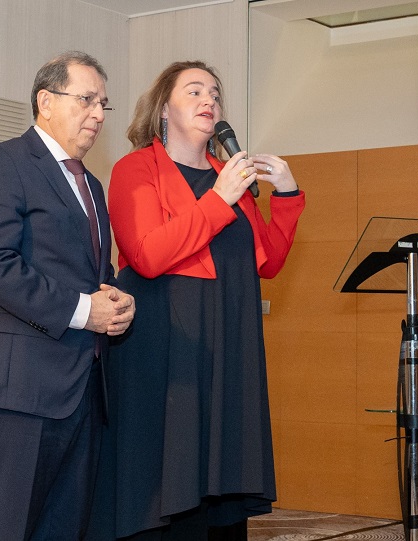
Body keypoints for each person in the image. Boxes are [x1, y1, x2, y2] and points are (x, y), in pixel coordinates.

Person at [88, 61, 305, 540]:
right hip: (164, 345)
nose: (209, 100)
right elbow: (147, 254)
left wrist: (286, 193)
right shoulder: (135, 169)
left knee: (220, 480)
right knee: (166, 473)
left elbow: (266, 261)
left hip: (226, 342)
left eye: (215, 93)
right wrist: (219, 200)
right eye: (194, 91)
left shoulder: (230, 177)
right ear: (164, 108)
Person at [0, 51, 136, 541]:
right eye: (86, 100)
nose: (99, 114)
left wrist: (119, 299)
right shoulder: (2, 161)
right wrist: (85, 312)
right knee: (7, 529)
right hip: (22, 390)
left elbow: (92, 272)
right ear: (45, 101)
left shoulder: (92, 185)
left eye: (103, 103)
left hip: (84, 388)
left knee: (65, 529)